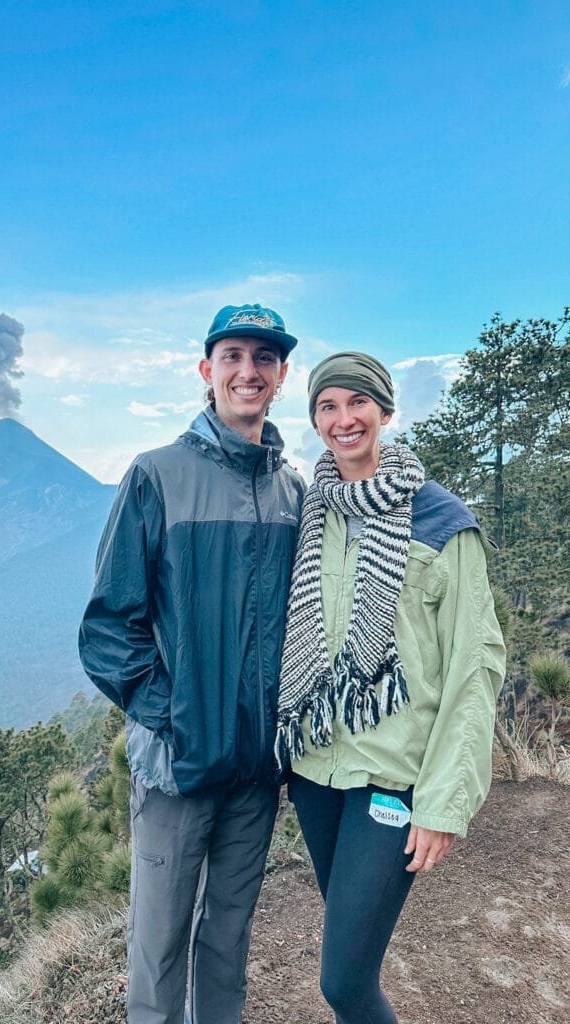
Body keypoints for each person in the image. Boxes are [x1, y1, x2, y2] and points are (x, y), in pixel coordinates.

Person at [78, 304, 306, 1024]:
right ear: (207, 371)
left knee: (229, 940)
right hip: (177, 766)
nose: (248, 371)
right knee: (159, 947)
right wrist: (173, 716)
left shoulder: (293, 492)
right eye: (232, 356)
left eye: (263, 359)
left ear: (281, 375)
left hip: (256, 769)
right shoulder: (156, 475)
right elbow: (109, 626)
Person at [275, 351, 506, 1024]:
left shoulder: (439, 519)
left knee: (344, 982)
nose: (343, 419)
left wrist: (445, 800)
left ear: (384, 410)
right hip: (316, 772)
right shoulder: (310, 514)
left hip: (394, 778)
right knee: (354, 962)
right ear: (315, 419)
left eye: (357, 403)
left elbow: (474, 663)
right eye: (327, 406)